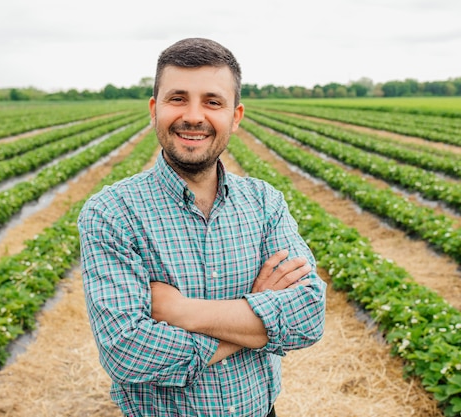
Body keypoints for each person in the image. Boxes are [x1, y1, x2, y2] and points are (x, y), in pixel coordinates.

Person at [77, 37, 327, 417]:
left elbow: (307, 315)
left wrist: (182, 312)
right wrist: (257, 321)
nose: (194, 116)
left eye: (213, 102)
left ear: (236, 116)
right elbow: (125, 351)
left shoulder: (264, 202)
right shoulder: (111, 212)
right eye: (177, 98)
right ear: (154, 108)